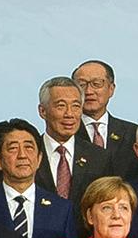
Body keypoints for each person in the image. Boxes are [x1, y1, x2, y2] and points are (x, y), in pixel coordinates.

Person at [34, 76, 111, 204]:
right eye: (61, 106)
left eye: (75, 106)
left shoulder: (99, 158)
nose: (69, 114)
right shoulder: (29, 154)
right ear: (42, 111)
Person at [74, 59, 138, 175]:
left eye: (97, 84)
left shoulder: (133, 134)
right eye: (82, 85)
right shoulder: (67, 133)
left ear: (111, 89)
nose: (88, 91)